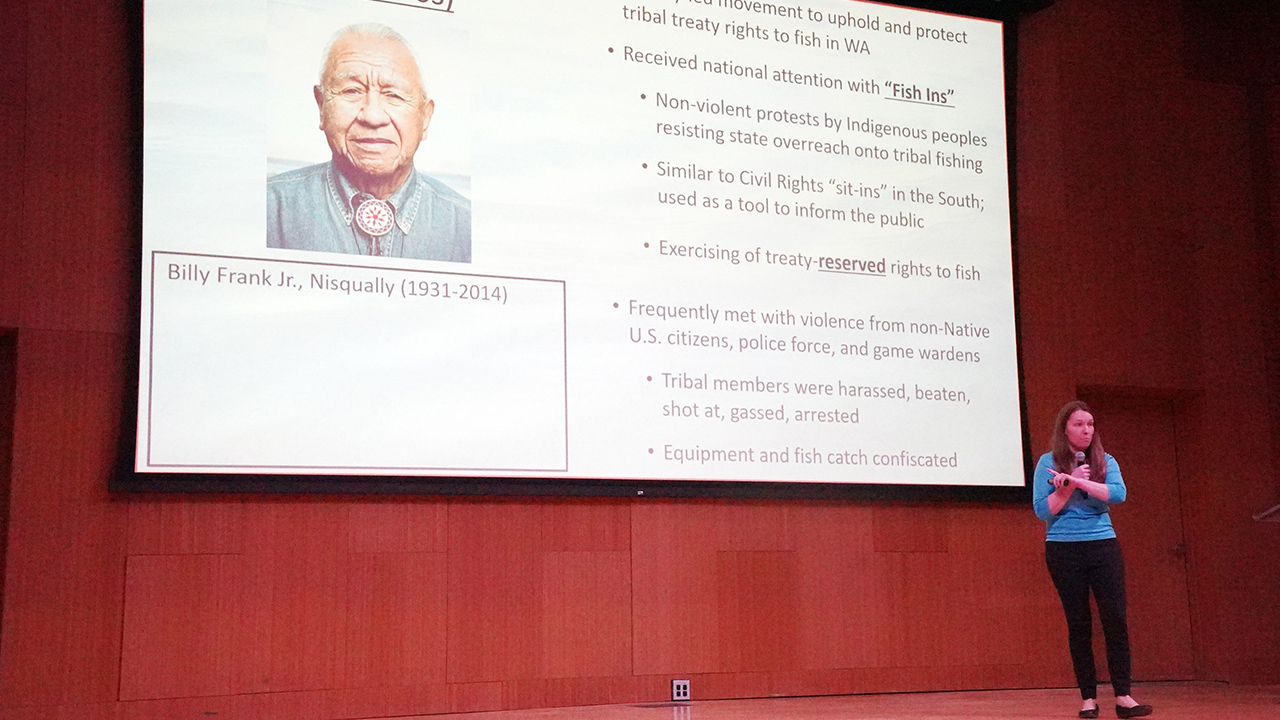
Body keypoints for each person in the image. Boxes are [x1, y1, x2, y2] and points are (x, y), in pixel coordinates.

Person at [268, 23, 470, 262]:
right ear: (321, 106)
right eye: (351, 91)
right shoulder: (270, 208)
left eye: (393, 95)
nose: (373, 117)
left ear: (425, 118)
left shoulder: (467, 225)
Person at [1033, 400, 1153, 719]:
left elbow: (1118, 494)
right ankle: (1088, 698)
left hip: (1103, 546)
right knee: (1079, 623)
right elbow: (1043, 511)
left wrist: (1079, 481)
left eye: (1090, 424)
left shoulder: (1105, 460)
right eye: (1079, 424)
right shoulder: (1048, 462)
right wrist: (1062, 488)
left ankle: (1124, 696)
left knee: (1115, 619)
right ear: (1065, 429)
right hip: (1063, 549)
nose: (1086, 430)